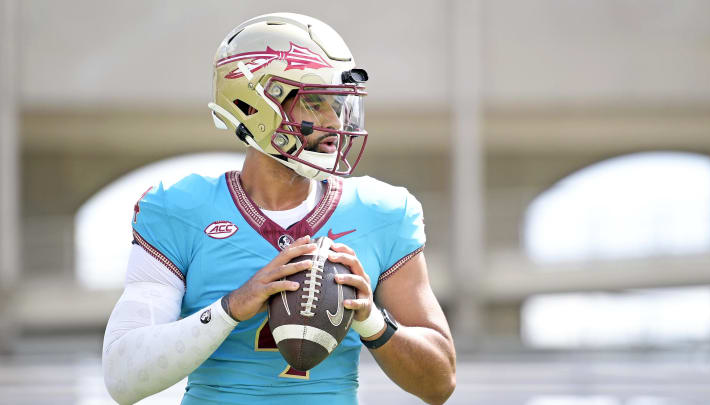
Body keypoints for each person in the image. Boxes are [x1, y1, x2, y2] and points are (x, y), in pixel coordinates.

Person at [102, 12, 456, 405]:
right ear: (255, 105)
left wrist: (372, 319)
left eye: (336, 104)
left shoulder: (382, 212)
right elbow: (123, 377)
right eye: (315, 103)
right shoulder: (179, 208)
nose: (332, 120)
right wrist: (233, 307)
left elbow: (440, 383)